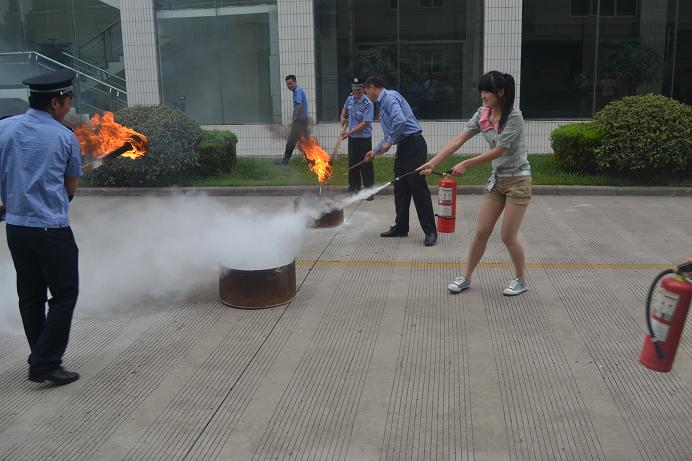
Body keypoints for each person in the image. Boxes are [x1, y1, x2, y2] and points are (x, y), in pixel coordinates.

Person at [0, 69, 82, 384]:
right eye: (68, 100)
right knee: (64, 294)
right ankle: (45, 363)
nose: (70, 105)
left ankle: (40, 355)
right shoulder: (65, 137)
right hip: (50, 228)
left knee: (31, 294)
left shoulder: (5, 127)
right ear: (55, 103)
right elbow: (70, 188)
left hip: (16, 228)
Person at [418, 71, 531, 296]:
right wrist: (432, 162)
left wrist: (466, 163)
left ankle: (521, 280)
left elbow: (500, 150)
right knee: (481, 231)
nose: (483, 96)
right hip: (498, 180)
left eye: (487, 91)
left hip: (518, 180)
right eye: (481, 91)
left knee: (507, 236)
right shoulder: (482, 114)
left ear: (501, 92)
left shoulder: (514, 117)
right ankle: (466, 276)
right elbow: (459, 139)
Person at [363, 75, 437, 247]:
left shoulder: (389, 97)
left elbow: (400, 121)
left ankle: (430, 232)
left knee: (418, 189)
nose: (367, 96)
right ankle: (401, 227)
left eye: (366, 91)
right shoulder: (383, 104)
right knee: (400, 189)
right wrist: (375, 151)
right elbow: (389, 135)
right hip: (403, 147)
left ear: (372, 87)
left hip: (414, 145)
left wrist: (390, 141)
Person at [340, 77, 375, 199]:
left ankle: (368, 192)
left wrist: (349, 132)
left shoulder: (368, 103)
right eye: (354, 90)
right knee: (353, 164)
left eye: (359, 90)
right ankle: (353, 189)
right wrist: (342, 117)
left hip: (364, 139)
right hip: (353, 139)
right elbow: (345, 108)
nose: (356, 92)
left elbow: (365, 123)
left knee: (366, 164)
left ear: (363, 89)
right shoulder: (350, 98)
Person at [275, 75, 309, 165]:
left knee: (291, 141)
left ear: (295, 82)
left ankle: (285, 161)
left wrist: (295, 118)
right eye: (287, 84)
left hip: (300, 121)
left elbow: (299, 105)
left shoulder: (298, 91)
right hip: (301, 121)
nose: (289, 86)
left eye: (290, 83)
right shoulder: (296, 91)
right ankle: (311, 161)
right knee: (303, 141)